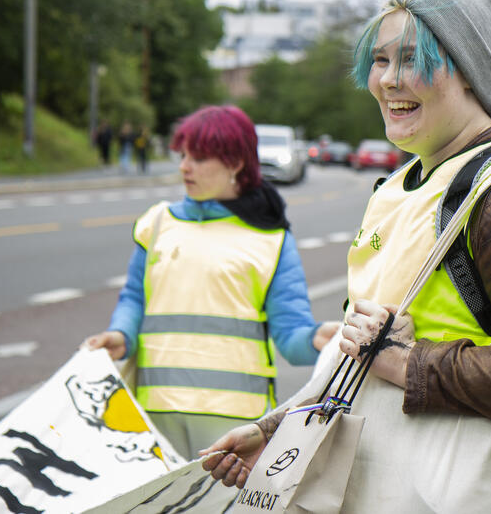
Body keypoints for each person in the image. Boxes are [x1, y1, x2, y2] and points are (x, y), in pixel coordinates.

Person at [201, 0, 491, 512]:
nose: (389, 81)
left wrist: (412, 365)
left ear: (471, 73)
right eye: (380, 60)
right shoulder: (405, 184)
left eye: (414, 60)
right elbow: (367, 361)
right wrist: (277, 430)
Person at [84, 105, 340, 459]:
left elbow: (290, 337)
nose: (184, 166)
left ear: (235, 163)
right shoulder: (157, 222)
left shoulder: (271, 238)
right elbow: (133, 297)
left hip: (234, 423)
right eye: (184, 155)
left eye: (199, 158)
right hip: (156, 410)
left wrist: (319, 339)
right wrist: (121, 336)